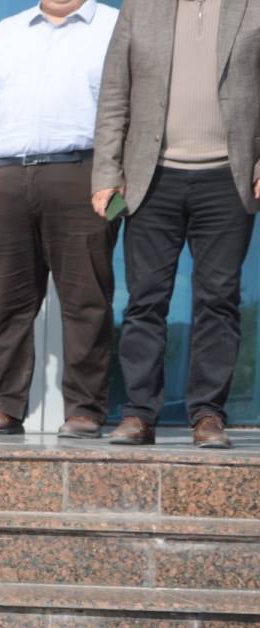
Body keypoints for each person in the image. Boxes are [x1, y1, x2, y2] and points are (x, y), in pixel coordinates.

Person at [0, 0, 120, 438]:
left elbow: (133, 103)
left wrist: (119, 173)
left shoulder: (113, 26)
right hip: (7, 177)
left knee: (86, 299)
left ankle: (85, 409)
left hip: (84, 174)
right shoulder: (7, 32)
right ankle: (5, 405)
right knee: (5, 300)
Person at [92, 0, 260, 448]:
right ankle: (138, 413)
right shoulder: (140, 7)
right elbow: (114, 94)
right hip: (151, 178)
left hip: (228, 178)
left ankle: (208, 415)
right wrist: (106, 172)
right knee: (145, 300)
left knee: (219, 300)